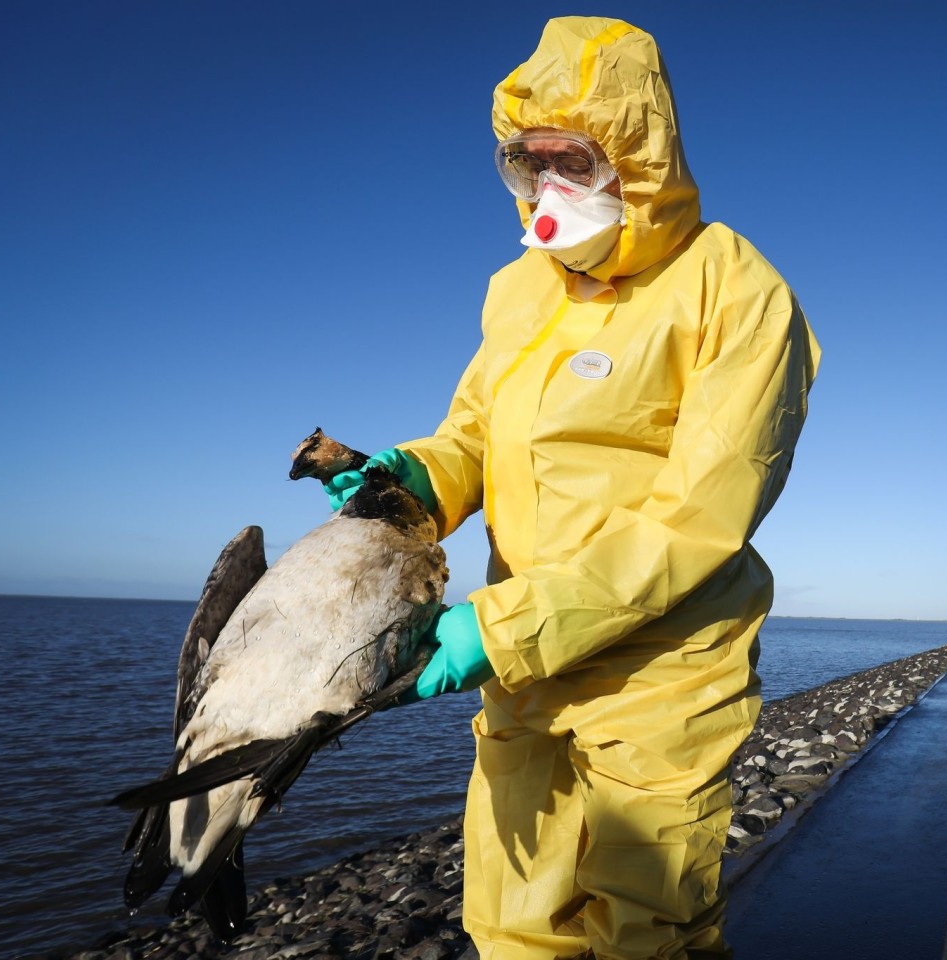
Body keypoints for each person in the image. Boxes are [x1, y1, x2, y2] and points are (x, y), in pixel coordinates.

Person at [324, 17, 818, 960]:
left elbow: (703, 512)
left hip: (662, 669)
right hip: (523, 673)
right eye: (527, 163)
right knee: (514, 918)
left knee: (649, 928)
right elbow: (475, 433)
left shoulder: (735, 288)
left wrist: (500, 627)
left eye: (573, 160)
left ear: (637, 156)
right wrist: (405, 482)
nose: (549, 188)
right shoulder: (519, 288)